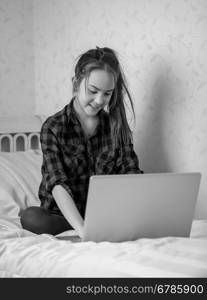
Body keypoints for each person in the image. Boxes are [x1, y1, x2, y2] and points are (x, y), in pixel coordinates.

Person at [20, 46, 143, 237]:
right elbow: (57, 183)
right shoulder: (53, 127)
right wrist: (82, 229)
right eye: (93, 91)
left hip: (104, 214)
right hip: (62, 216)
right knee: (31, 217)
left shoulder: (116, 127)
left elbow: (131, 173)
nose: (99, 100)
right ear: (76, 83)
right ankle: (81, 228)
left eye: (107, 94)